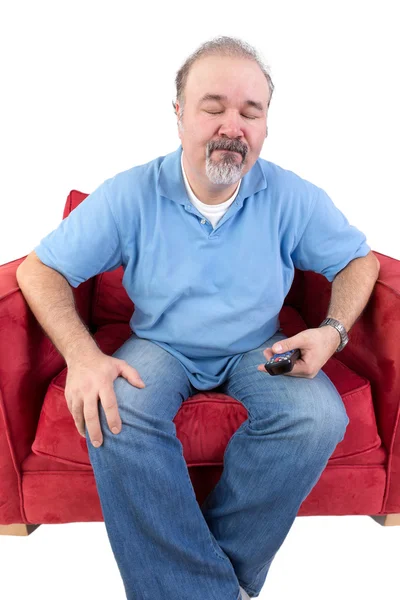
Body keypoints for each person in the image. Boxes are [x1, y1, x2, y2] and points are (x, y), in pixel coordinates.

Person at [17, 36, 380, 600]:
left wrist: (331, 333)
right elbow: (39, 271)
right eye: (213, 107)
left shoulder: (291, 195)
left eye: (249, 112)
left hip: (257, 346)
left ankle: (190, 583)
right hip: (159, 344)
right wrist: (84, 356)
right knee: (116, 411)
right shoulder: (129, 194)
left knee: (317, 418)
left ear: (264, 126)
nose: (232, 125)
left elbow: (359, 262)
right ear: (180, 114)